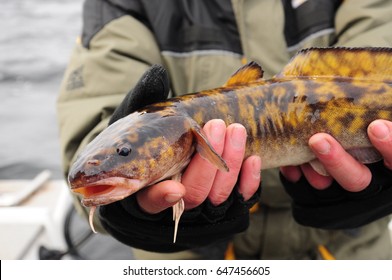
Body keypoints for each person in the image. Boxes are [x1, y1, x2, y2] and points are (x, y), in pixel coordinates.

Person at [57, 0, 392, 259]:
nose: (121, 156)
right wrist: (130, 216)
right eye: (123, 152)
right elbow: (92, 129)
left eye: (125, 153)